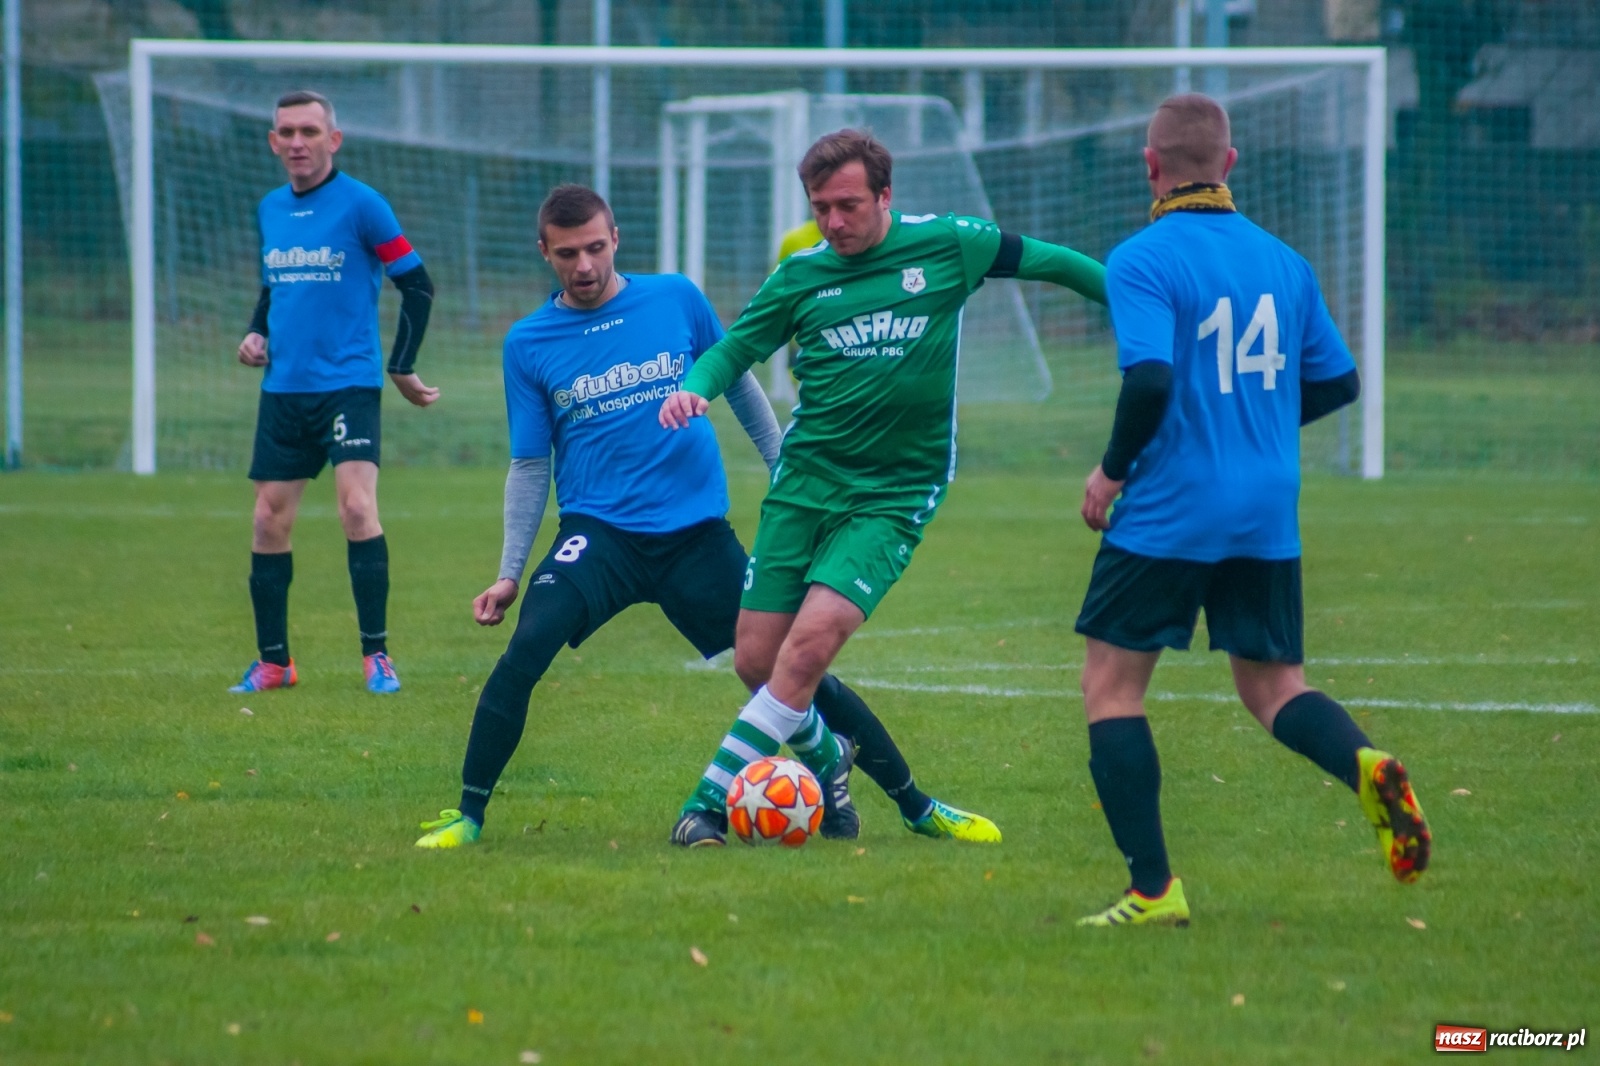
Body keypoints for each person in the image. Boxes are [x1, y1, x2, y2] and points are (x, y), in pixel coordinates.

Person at [414, 184, 995, 850]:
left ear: (616, 238)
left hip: (695, 537)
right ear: (543, 251)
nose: (584, 266)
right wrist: (509, 572)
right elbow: (528, 464)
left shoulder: (676, 298)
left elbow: (740, 383)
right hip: (598, 536)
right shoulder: (528, 342)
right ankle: (468, 815)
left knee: (789, 668)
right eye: (568, 253)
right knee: (526, 649)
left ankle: (914, 804)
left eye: (596, 248)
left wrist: (788, 471)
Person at [659, 129, 1108, 844]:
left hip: (893, 494)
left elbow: (1055, 264)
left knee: (805, 653)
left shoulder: (949, 244)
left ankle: (706, 805)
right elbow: (733, 349)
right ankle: (828, 756)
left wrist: (1140, 311)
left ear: (885, 196)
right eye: (821, 207)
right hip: (805, 484)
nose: (834, 222)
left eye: (848, 205)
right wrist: (692, 389)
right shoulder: (801, 275)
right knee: (756, 661)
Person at [1071, 94, 1429, 928]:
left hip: (1173, 503)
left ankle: (1154, 892)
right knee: (1274, 688)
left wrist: (1111, 471)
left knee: (1112, 689)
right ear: (1229, 165)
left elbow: (1152, 379)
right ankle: (1365, 763)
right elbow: (1338, 382)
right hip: (1267, 505)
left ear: (1149, 166)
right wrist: (1255, 424)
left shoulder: (1142, 258)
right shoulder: (1283, 262)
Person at [230, 89, 438, 695]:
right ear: (274, 142)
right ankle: (274, 663)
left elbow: (418, 286)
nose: (298, 142)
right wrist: (254, 332)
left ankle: (377, 656)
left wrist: (401, 365)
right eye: (287, 132)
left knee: (355, 508)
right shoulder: (270, 208)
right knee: (268, 519)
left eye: (310, 132)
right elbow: (275, 286)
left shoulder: (363, 206)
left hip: (348, 385)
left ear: (333, 139)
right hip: (284, 391)